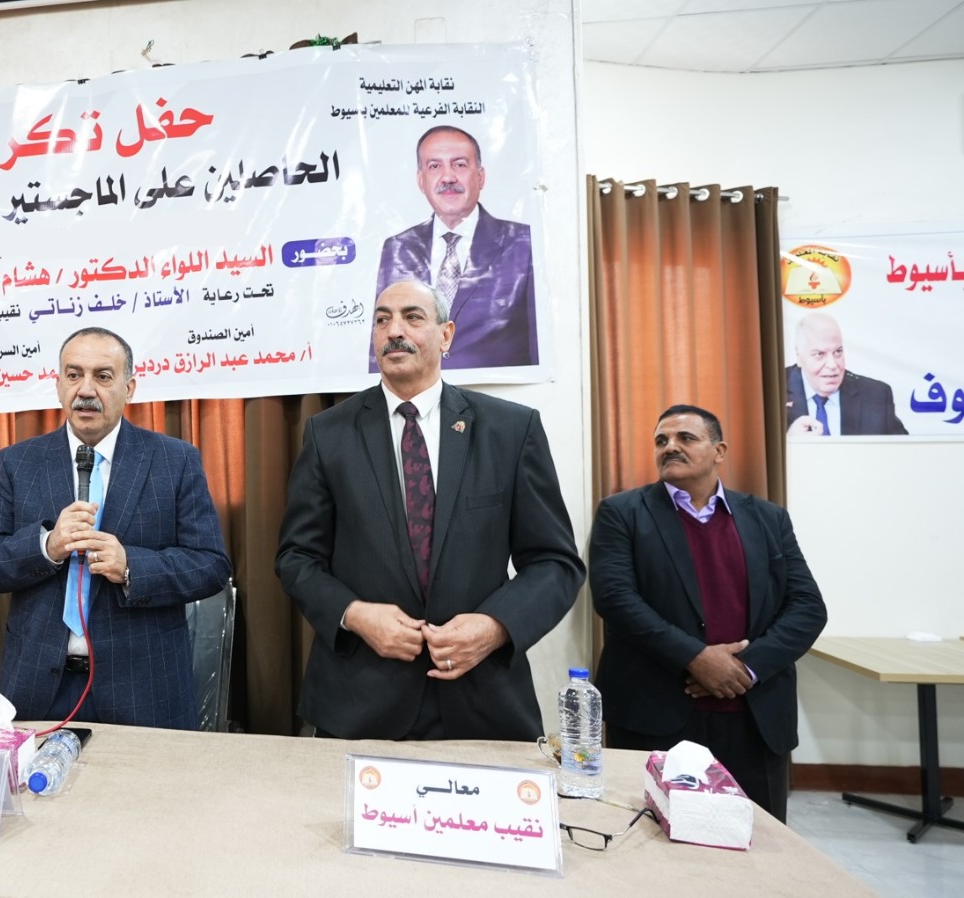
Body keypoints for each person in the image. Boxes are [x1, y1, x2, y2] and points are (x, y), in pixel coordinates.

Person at [279, 279, 583, 741]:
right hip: (360, 702)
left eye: (412, 317)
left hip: (482, 699)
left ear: (446, 335)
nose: (394, 331)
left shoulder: (510, 430)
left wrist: (494, 627)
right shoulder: (328, 434)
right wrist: (355, 614)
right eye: (382, 320)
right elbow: (297, 558)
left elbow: (555, 562)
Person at [0, 326, 231, 729]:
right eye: (74, 375)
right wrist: (47, 547)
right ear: (58, 385)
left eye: (103, 376)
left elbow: (211, 565)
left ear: (129, 388)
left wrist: (131, 566)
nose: (85, 390)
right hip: (39, 689)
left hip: (144, 691)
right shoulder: (18, 463)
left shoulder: (174, 461)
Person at [589, 404, 826, 823]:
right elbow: (615, 600)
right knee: (652, 840)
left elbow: (808, 607)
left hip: (754, 714)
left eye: (685, 438)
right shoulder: (622, 513)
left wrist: (744, 669)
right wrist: (697, 659)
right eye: (661, 440)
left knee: (755, 836)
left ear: (719, 451)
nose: (670, 447)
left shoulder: (768, 518)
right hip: (655, 709)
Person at [372, 125, 537, 371]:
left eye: (459, 164)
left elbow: (539, 345)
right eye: (434, 166)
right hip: (418, 391)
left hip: (491, 391)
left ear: (480, 176)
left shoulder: (522, 242)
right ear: (421, 180)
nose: (447, 177)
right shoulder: (397, 248)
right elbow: (381, 342)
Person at [785, 312, 906, 435]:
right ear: (799, 356)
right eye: (819, 354)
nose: (832, 365)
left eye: (838, 352)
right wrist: (788, 440)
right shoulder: (774, 391)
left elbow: (901, 446)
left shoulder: (876, 395)